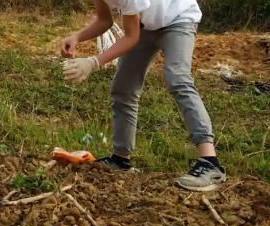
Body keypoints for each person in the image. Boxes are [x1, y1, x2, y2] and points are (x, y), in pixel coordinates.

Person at [60, 0, 226, 192]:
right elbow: (104, 20)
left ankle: (210, 163)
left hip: (178, 19)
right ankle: (120, 160)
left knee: (178, 79)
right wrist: (77, 37)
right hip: (145, 26)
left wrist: (93, 62)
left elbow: (131, 37)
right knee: (124, 87)